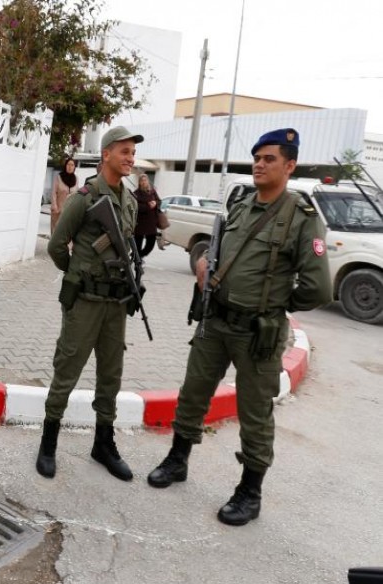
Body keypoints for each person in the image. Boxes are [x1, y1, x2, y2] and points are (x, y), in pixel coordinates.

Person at [146, 128, 332, 525]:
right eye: (257, 158)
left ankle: (250, 491)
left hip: (257, 335)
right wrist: (203, 269)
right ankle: (178, 460)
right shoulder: (244, 204)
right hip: (216, 322)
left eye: (269, 159)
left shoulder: (301, 217)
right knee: (193, 393)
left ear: (290, 165)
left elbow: (318, 288)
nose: (260, 165)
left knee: (255, 412)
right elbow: (220, 257)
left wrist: (274, 306)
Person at [36, 126, 144, 481]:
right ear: (107, 154)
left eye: (132, 153)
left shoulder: (129, 199)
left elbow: (128, 250)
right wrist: (76, 276)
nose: (130, 158)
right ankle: (49, 443)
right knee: (67, 369)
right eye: (124, 151)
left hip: (115, 306)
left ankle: (103, 444)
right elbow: (56, 245)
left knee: (111, 376)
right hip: (84, 303)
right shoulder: (84, 197)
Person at [133, 173, 161, 257]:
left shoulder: (153, 191)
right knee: (138, 244)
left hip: (151, 223)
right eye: (142, 180)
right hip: (140, 223)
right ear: (139, 182)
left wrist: (155, 203)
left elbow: (159, 201)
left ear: (148, 181)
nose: (144, 182)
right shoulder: (136, 193)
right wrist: (148, 206)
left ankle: (139, 256)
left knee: (150, 244)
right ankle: (137, 260)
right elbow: (136, 206)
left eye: (145, 180)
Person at [50, 157, 79, 234]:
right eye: (68, 164)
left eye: (72, 165)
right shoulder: (59, 177)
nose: (70, 167)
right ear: (65, 166)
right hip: (58, 210)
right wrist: (54, 206)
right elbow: (54, 192)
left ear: (74, 167)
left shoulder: (76, 179)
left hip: (69, 211)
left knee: (67, 233)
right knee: (56, 233)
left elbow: (76, 194)